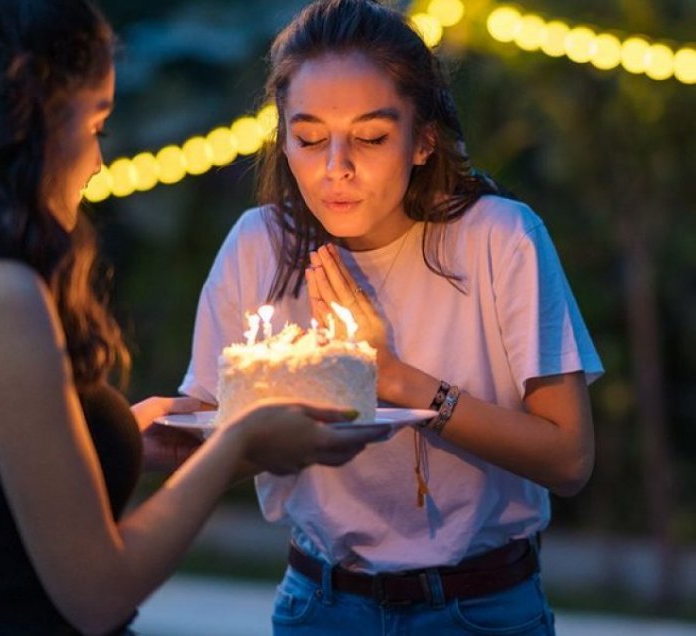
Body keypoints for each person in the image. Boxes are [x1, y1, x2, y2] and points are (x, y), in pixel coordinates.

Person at [0, 1, 390, 635]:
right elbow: (97, 596)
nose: (99, 161)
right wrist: (239, 443)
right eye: (97, 123)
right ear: (31, 106)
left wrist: (118, 439)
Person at [180, 0, 604, 633]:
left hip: (480, 606)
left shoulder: (499, 240)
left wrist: (393, 378)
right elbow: (210, 430)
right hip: (320, 603)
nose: (335, 168)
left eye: (372, 137)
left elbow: (569, 460)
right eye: (310, 137)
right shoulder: (257, 247)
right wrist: (141, 438)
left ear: (422, 139)